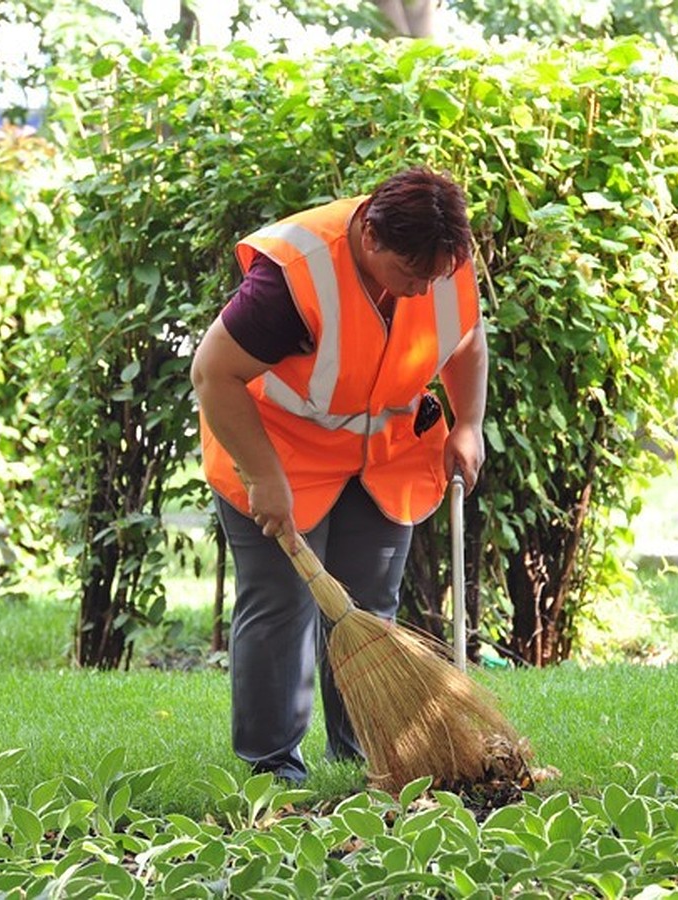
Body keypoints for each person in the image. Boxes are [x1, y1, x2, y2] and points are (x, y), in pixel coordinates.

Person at [190, 166, 487, 783]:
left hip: (382, 458)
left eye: (433, 277)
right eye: (411, 277)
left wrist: (467, 424)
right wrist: (263, 479)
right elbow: (212, 374)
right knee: (282, 605)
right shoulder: (294, 277)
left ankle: (365, 754)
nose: (419, 290)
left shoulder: (440, 260)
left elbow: (465, 340)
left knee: (371, 606)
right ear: (373, 239)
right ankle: (274, 770)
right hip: (279, 453)